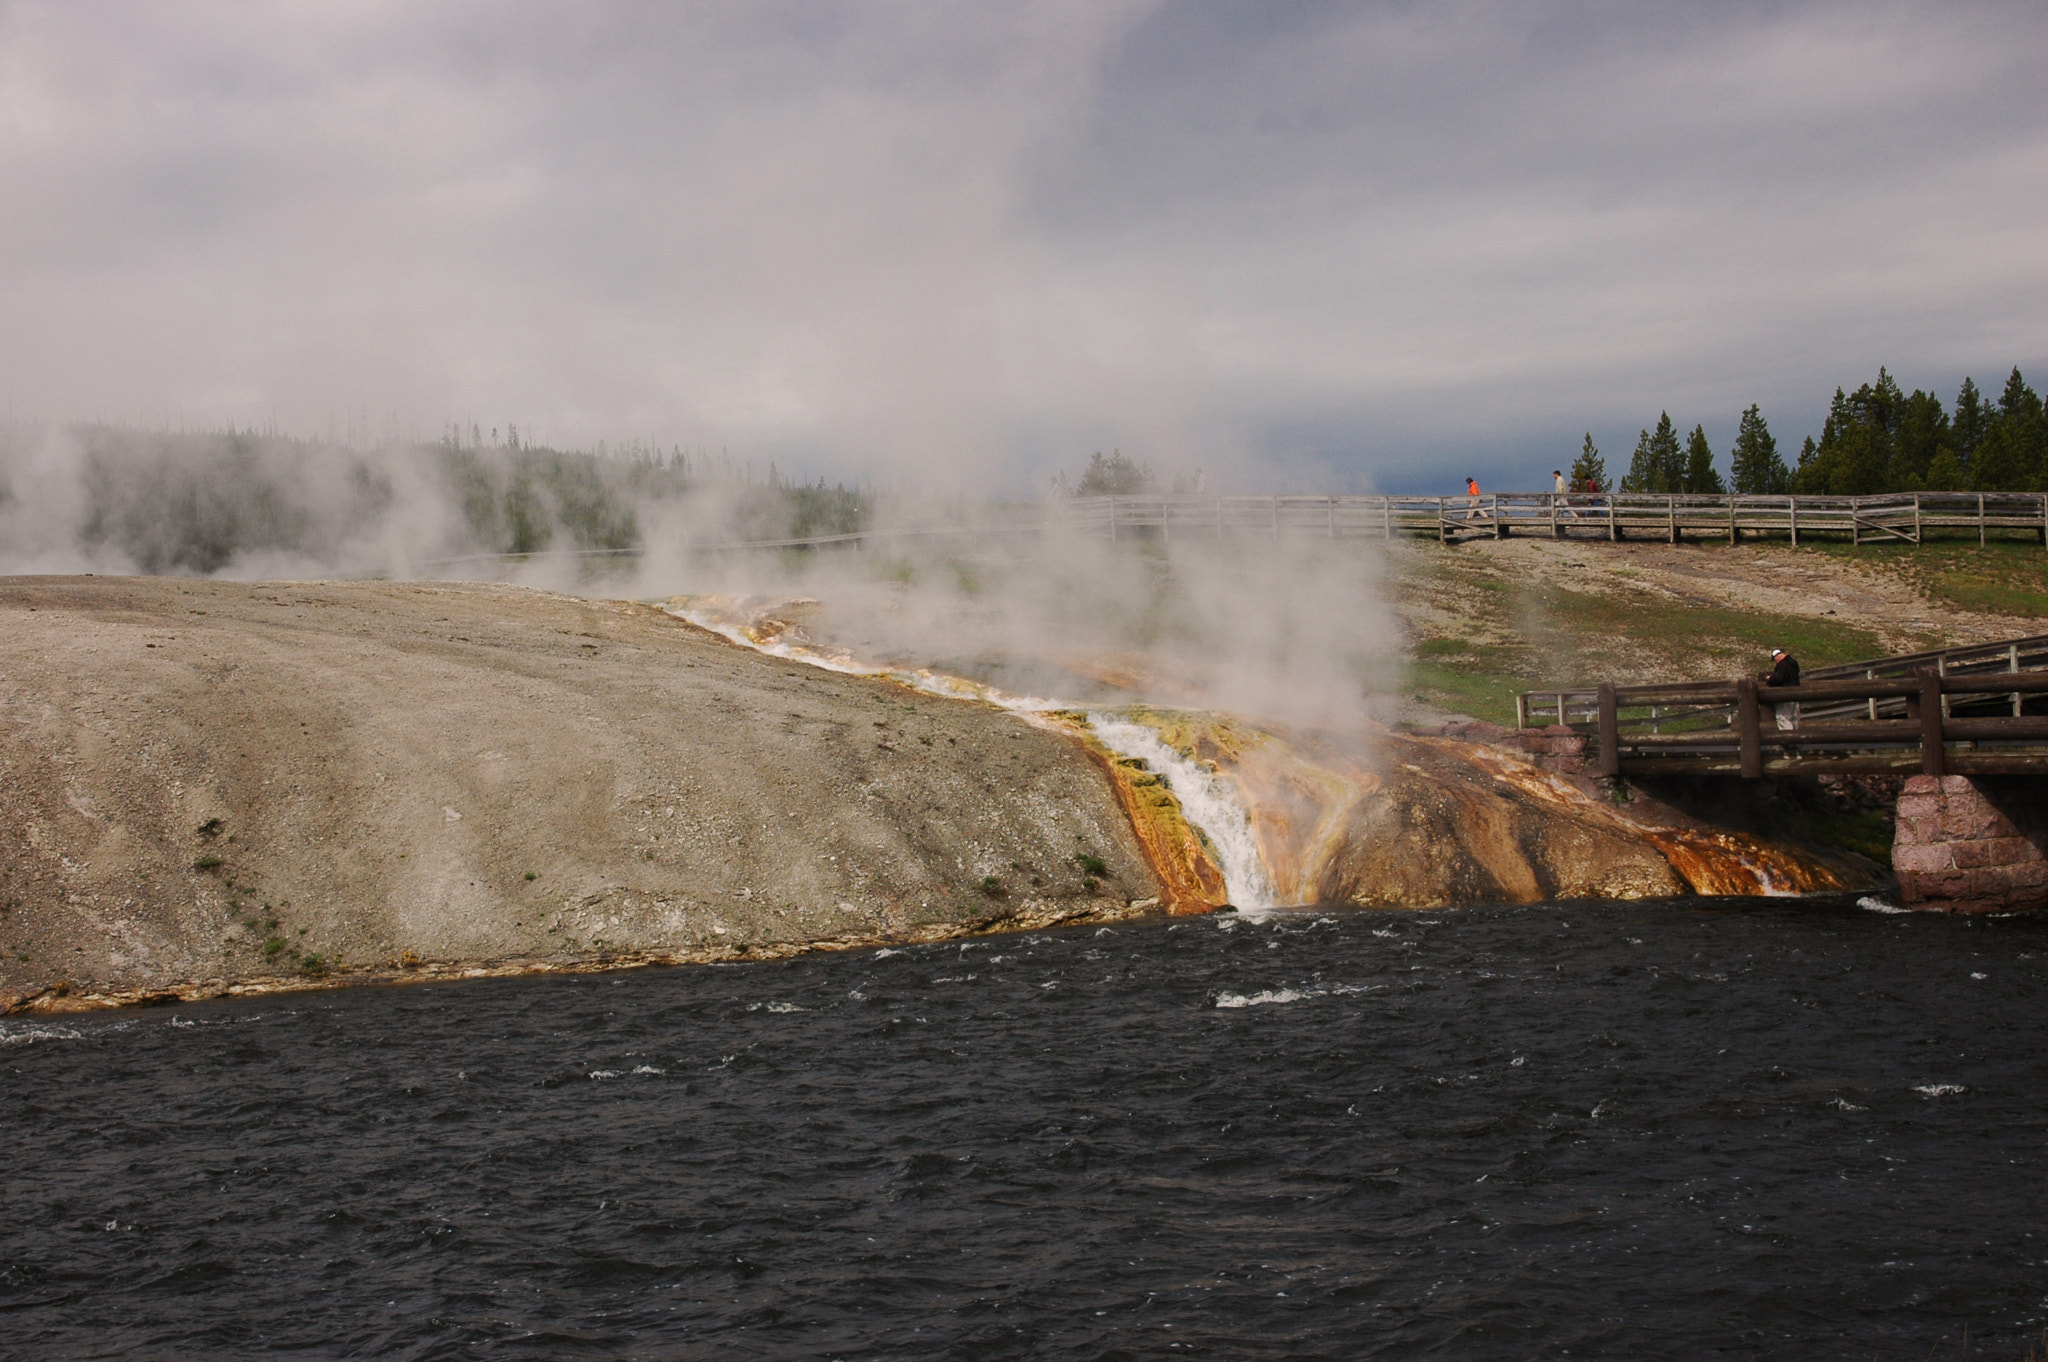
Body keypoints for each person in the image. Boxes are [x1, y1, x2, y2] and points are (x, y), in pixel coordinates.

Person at [1762, 646, 1800, 730]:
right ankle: (1797, 737)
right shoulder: (1794, 663)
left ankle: (1789, 739)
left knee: (1783, 718)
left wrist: (1770, 679)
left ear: (1778, 656)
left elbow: (1778, 679)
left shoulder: (1782, 665)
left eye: (1775, 658)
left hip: (1785, 694)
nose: (1776, 661)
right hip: (1796, 693)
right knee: (1794, 717)